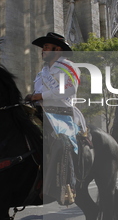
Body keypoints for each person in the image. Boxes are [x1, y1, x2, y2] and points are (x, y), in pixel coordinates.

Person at [25, 31, 85, 205]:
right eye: (43, 47)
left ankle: (68, 186)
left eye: (46, 47)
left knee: (61, 142)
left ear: (57, 49)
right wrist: (31, 98)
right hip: (40, 112)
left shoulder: (69, 67)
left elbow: (69, 90)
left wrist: (39, 96)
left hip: (61, 114)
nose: (42, 50)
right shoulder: (41, 72)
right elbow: (38, 95)